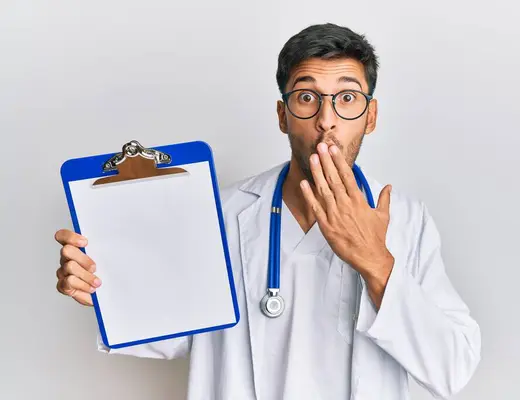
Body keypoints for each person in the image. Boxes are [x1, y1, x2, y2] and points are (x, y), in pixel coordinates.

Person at [54, 23, 481, 400]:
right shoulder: (220, 213)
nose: (326, 119)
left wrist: (377, 263)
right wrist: (101, 283)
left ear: (370, 116)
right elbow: (173, 332)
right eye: (307, 96)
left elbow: (452, 368)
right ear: (282, 114)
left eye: (347, 97)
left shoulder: (407, 221)